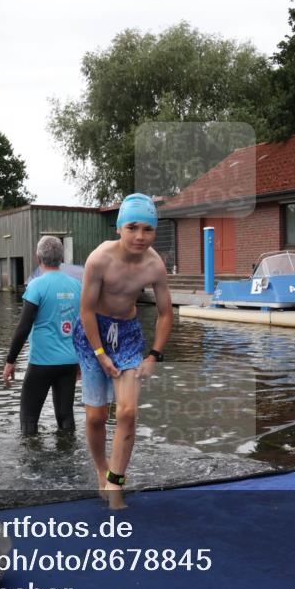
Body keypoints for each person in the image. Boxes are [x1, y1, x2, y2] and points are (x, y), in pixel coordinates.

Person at [74, 193, 173, 508]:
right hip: (93, 333)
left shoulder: (155, 265)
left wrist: (154, 355)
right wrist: (100, 353)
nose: (140, 236)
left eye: (148, 229)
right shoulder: (99, 259)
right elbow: (86, 311)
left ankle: (116, 483)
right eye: (132, 227)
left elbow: (165, 314)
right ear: (119, 228)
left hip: (128, 335)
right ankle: (101, 469)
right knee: (96, 416)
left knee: (128, 412)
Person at [3, 236, 82, 435]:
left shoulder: (36, 285)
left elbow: (23, 327)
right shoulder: (77, 286)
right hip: (69, 363)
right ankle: (67, 461)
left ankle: (31, 464)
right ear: (61, 258)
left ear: (38, 258)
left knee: (29, 420)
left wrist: (10, 361)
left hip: (42, 363)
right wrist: (80, 361)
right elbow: (83, 326)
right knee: (66, 418)